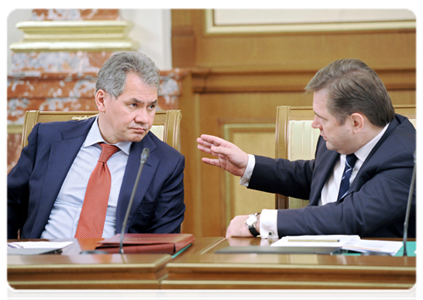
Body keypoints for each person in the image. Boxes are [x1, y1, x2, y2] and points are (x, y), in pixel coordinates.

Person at [197, 58, 420, 239]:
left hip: (374, 275)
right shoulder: (336, 139)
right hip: (315, 258)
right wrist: (248, 165)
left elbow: (350, 216)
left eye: (322, 117)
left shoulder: (408, 158)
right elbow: (314, 175)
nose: (314, 124)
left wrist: (258, 222)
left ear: (356, 123)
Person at [6, 51, 185, 239]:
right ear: (101, 100)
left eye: (151, 107)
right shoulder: (49, 139)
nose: (144, 119)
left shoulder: (167, 164)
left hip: (113, 265)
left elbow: (163, 241)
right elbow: (9, 200)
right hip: (42, 261)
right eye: (133, 105)